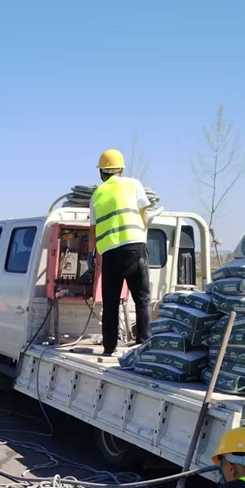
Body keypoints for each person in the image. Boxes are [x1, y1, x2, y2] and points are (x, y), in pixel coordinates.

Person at [90, 149, 158, 356]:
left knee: (110, 302)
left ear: (102, 172)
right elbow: (145, 214)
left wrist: (91, 255)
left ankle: (109, 347)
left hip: (110, 252)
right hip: (134, 247)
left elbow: (93, 230)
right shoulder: (134, 184)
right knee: (142, 298)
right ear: (121, 169)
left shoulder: (96, 194)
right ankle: (143, 344)